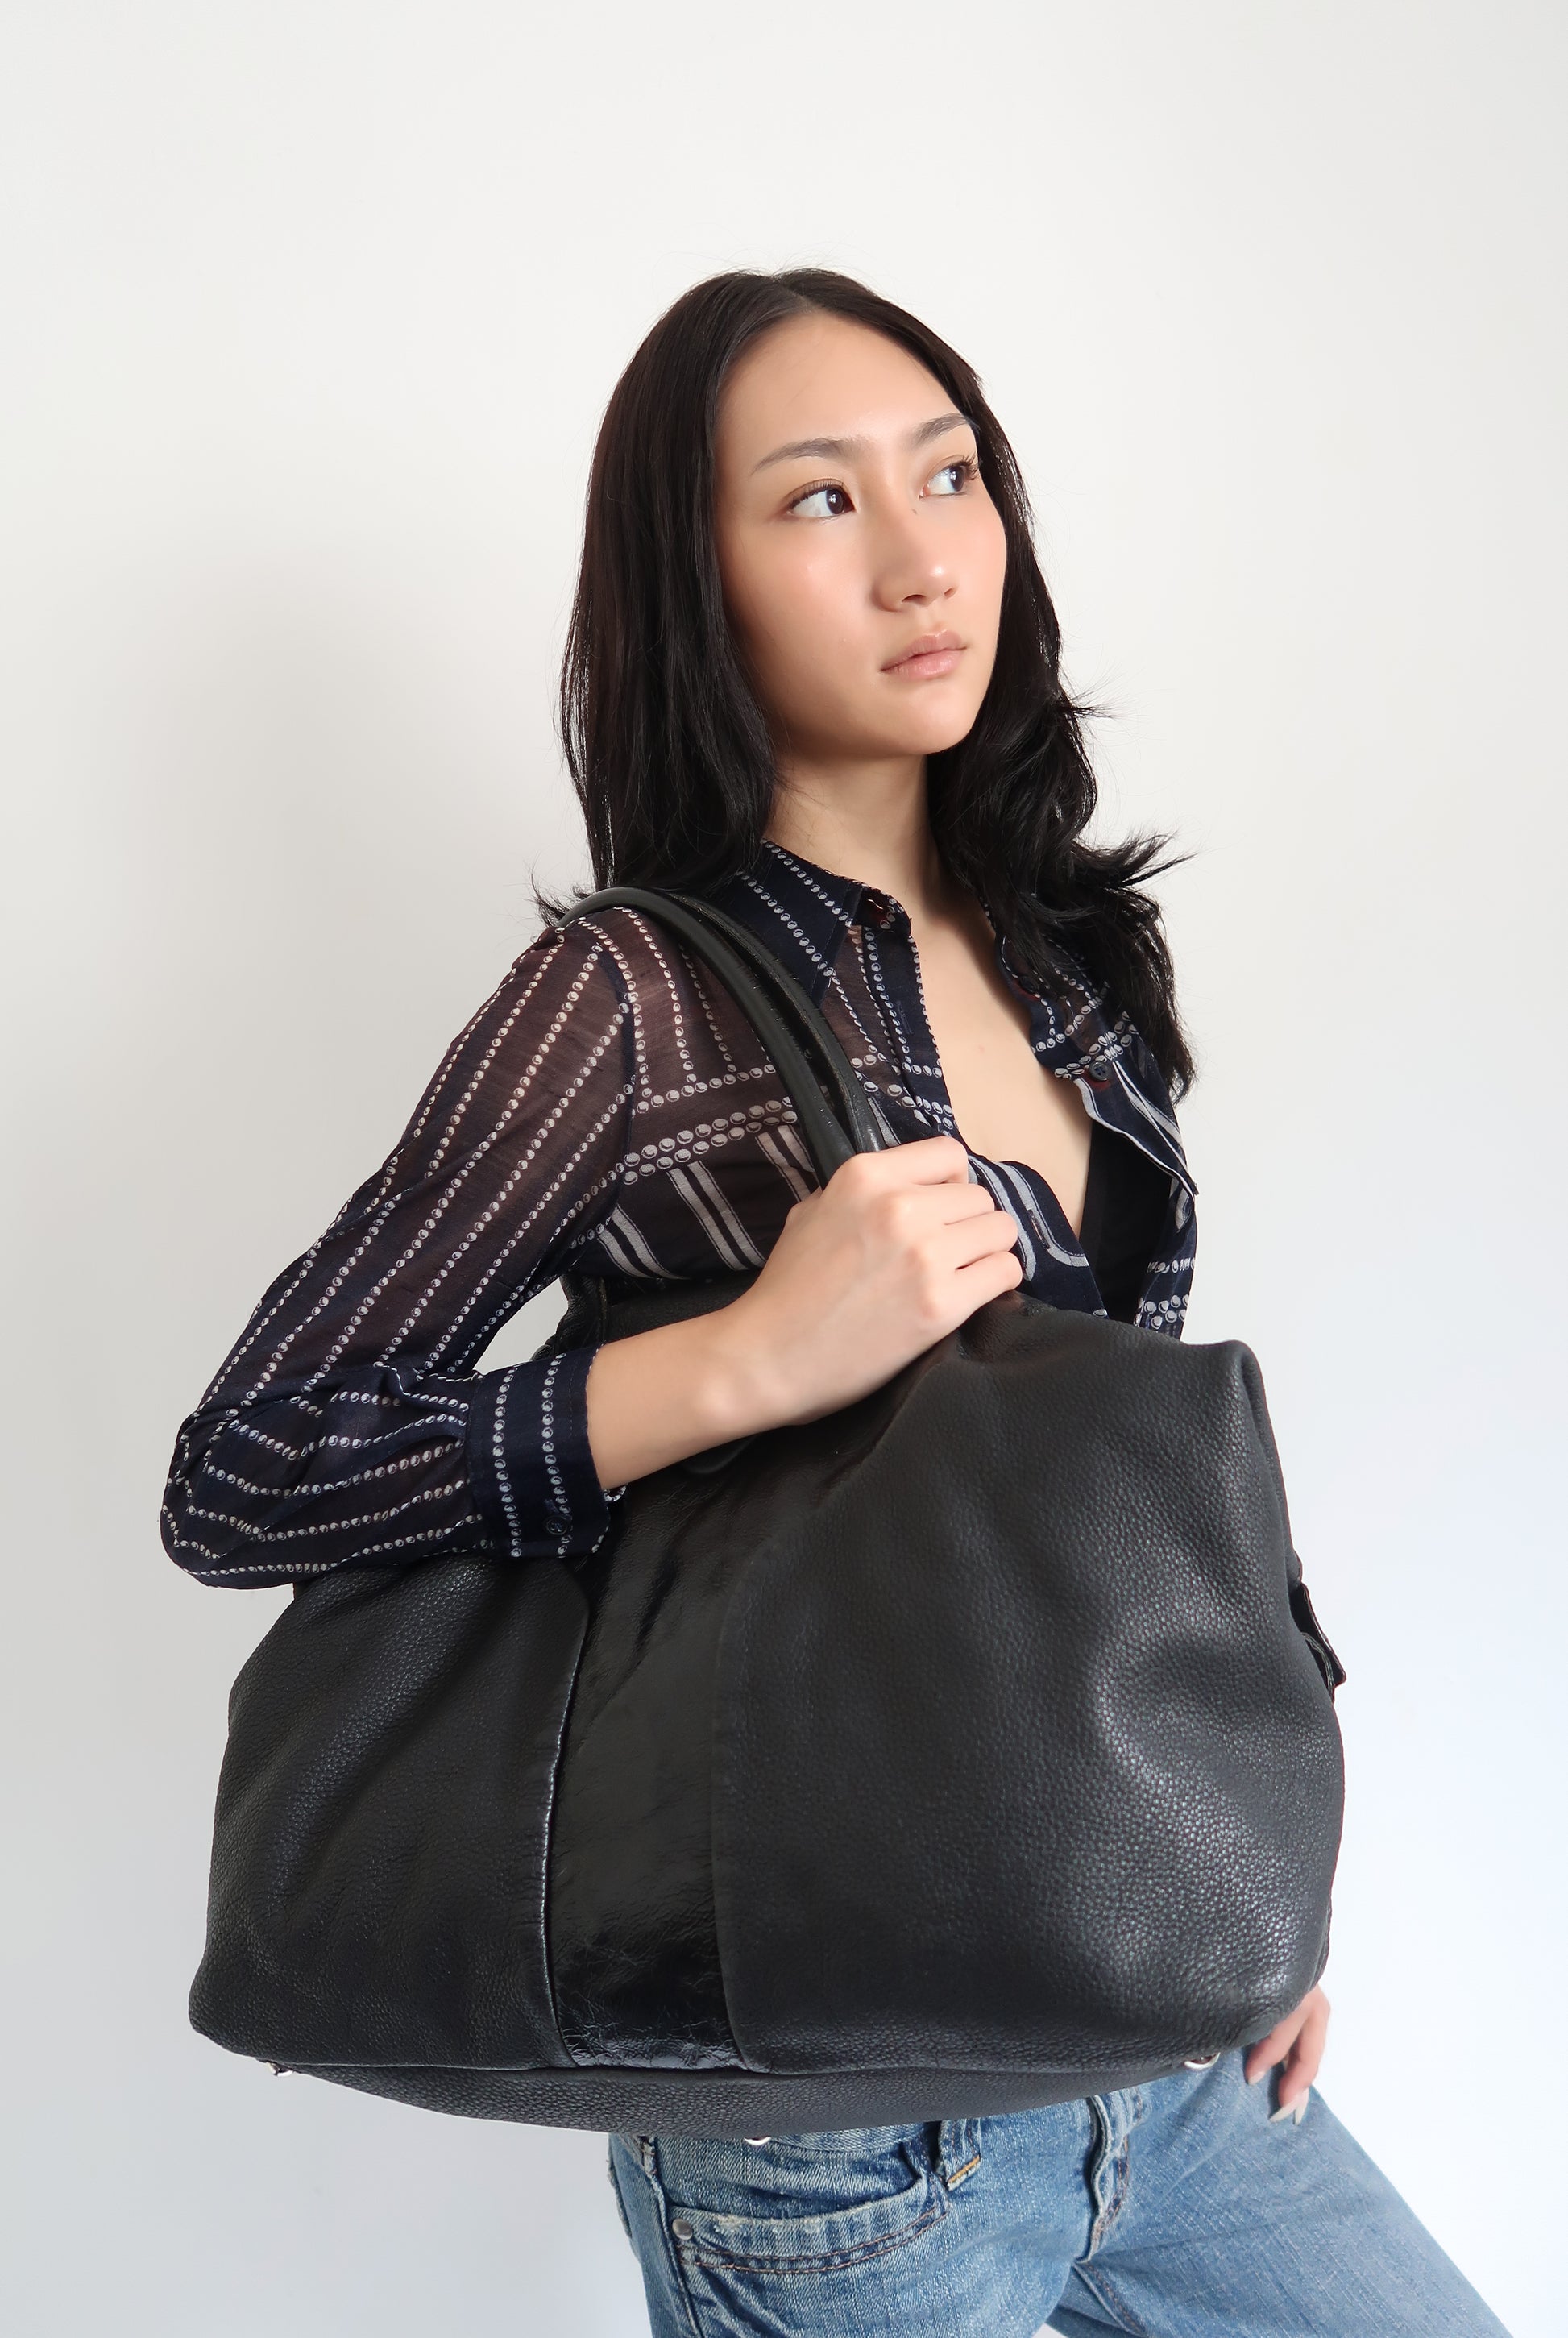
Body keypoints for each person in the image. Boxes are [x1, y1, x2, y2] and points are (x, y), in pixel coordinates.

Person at [162, 269, 1508, 2336]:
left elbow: (1119, 1483)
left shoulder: (1074, 960)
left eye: (948, 475)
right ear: (691, 583)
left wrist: (1253, 1866)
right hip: (832, 2127)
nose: (917, 556)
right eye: (816, 499)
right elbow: (244, 1470)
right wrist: (738, 1359)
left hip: (1166, 2045)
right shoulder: (623, 1000)